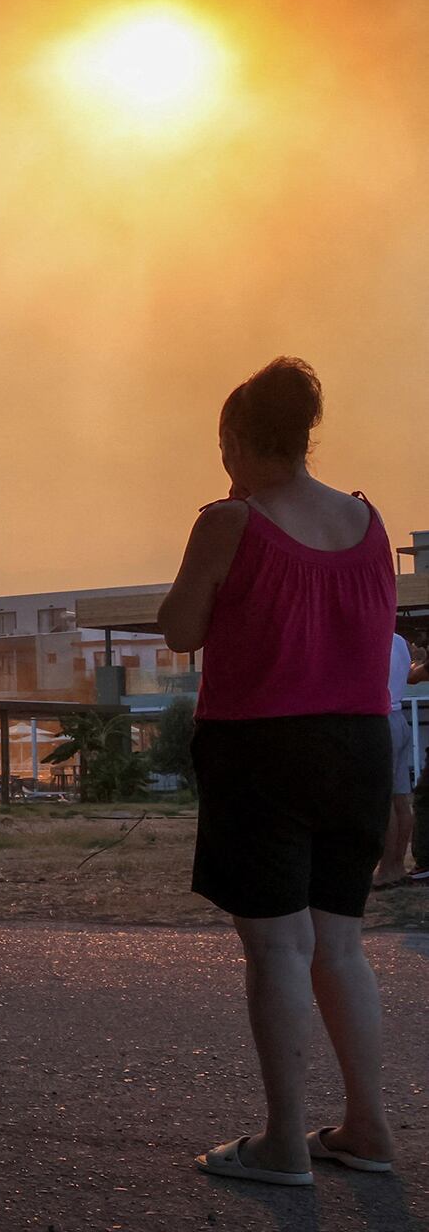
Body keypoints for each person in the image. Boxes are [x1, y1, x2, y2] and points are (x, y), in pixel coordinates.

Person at [160, 357, 396, 1187]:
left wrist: (219, 525)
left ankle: (285, 1142)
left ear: (237, 438)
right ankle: (367, 1126)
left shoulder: (231, 521)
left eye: (222, 442)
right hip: (361, 747)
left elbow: (180, 629)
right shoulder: (367, 521)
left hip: (264, 748)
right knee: (339, 944)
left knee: (277, 946)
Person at [374, 631, 425, 888]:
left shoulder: (374, 637)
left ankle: (386, 869)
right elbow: (408, 676)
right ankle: (396, 866)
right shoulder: (400, 641)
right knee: (401, 799)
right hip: (399, 718)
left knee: (385, 801)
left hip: (381, 720)